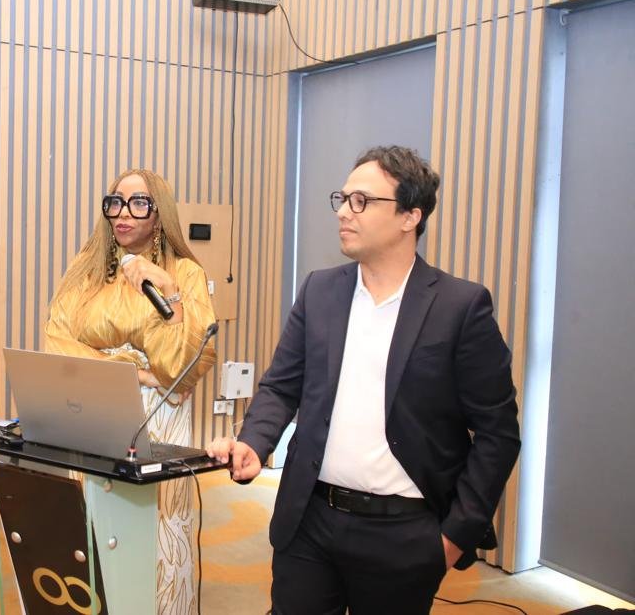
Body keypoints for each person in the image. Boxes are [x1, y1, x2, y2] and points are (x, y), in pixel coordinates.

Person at [207, 146, 521, 615]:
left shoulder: (460, 307)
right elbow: (281, 386)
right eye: (342, 198)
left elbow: (498, 433)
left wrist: (453, 538)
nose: (343, 212)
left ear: (410, 216)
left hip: (404, 533)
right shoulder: (319, 290)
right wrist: (255, 440)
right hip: (309, 519)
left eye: (361, 201)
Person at [45, 168, 217, 615]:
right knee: (94, 531)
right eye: (115, 202)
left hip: (157, 419)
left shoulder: (184, 274)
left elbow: (181, 366)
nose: (123, 213)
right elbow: (57, 345)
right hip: (93, 409)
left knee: (155, 539)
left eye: (138, 203)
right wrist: (135, 371)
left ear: (159, 215)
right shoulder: (85, 272)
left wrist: (167, 289)